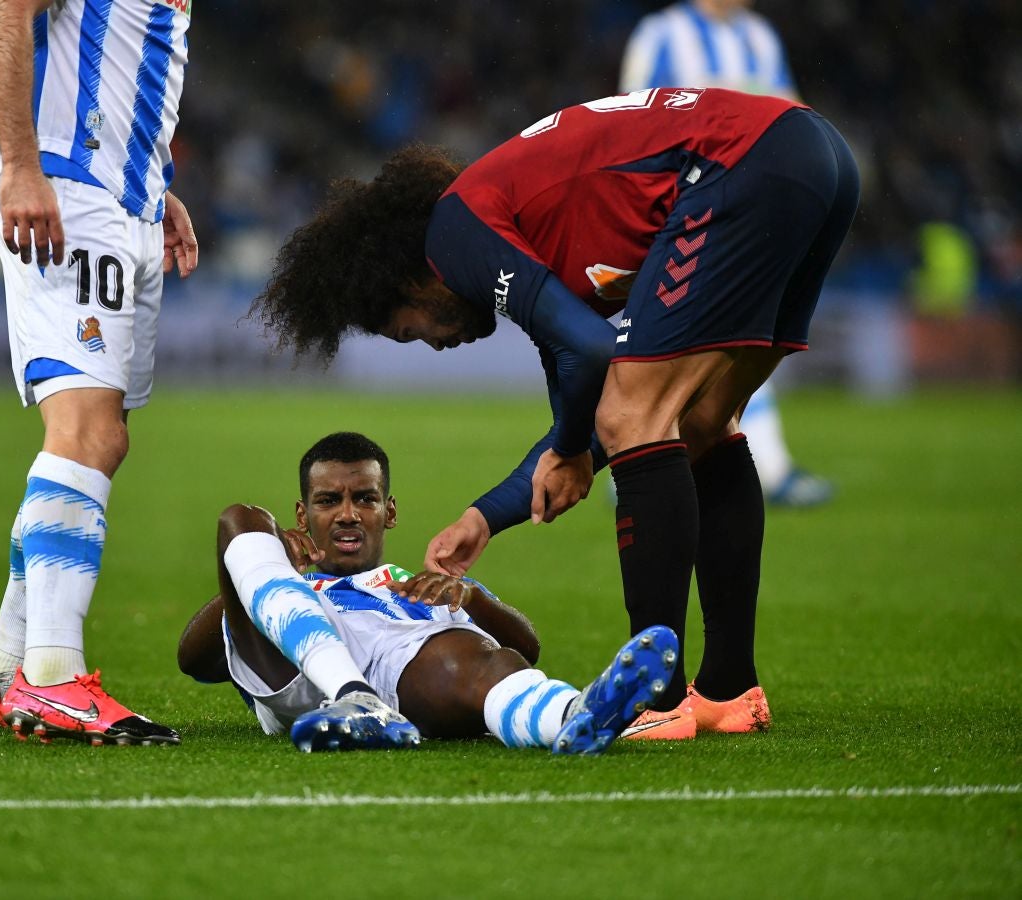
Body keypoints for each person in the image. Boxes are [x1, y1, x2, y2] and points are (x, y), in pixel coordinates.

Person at [252, 88, 858, 741]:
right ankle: (730, 690)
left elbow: (597, 370)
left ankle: (660, 699)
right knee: (703, 419)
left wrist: (571, 445)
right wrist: (488, 514)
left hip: (738, 166)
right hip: (814, 153)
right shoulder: (517, 236)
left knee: (640, 415)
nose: (433, 342)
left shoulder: (454, 233)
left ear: (408, 278)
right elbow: (583, 384)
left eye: (408, 330)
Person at [0, 0, 200, 747]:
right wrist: (25, 168)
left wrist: (154, 185)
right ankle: (56, 677)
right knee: (84, 431)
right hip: (69, 194)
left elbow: (122, 66)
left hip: (124, 199)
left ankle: (3, 673)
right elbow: (5, 13)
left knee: (108, 437)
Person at [176, 431, 678, 754]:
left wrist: (472, 599)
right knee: (238, 519)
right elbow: (194, 659)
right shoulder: (281, 582)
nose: (348, 514)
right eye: (329, 501)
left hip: (401, 671)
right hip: (304, 674)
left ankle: (573, 716)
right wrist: (255, 570)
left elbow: (526, 649)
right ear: (303, 516)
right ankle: (353, 697)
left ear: (388, 512)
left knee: (477, 655)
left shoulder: (415, 584)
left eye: (365, 499)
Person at [619, 0, 834, 508]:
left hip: (757, 211)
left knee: (741, 339)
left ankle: (759, 464)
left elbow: (794, 113)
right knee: (683, 341)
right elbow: (630, 122)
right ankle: (639, 458)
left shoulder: (760, 36)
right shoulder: (660, 35)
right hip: (690, 211)